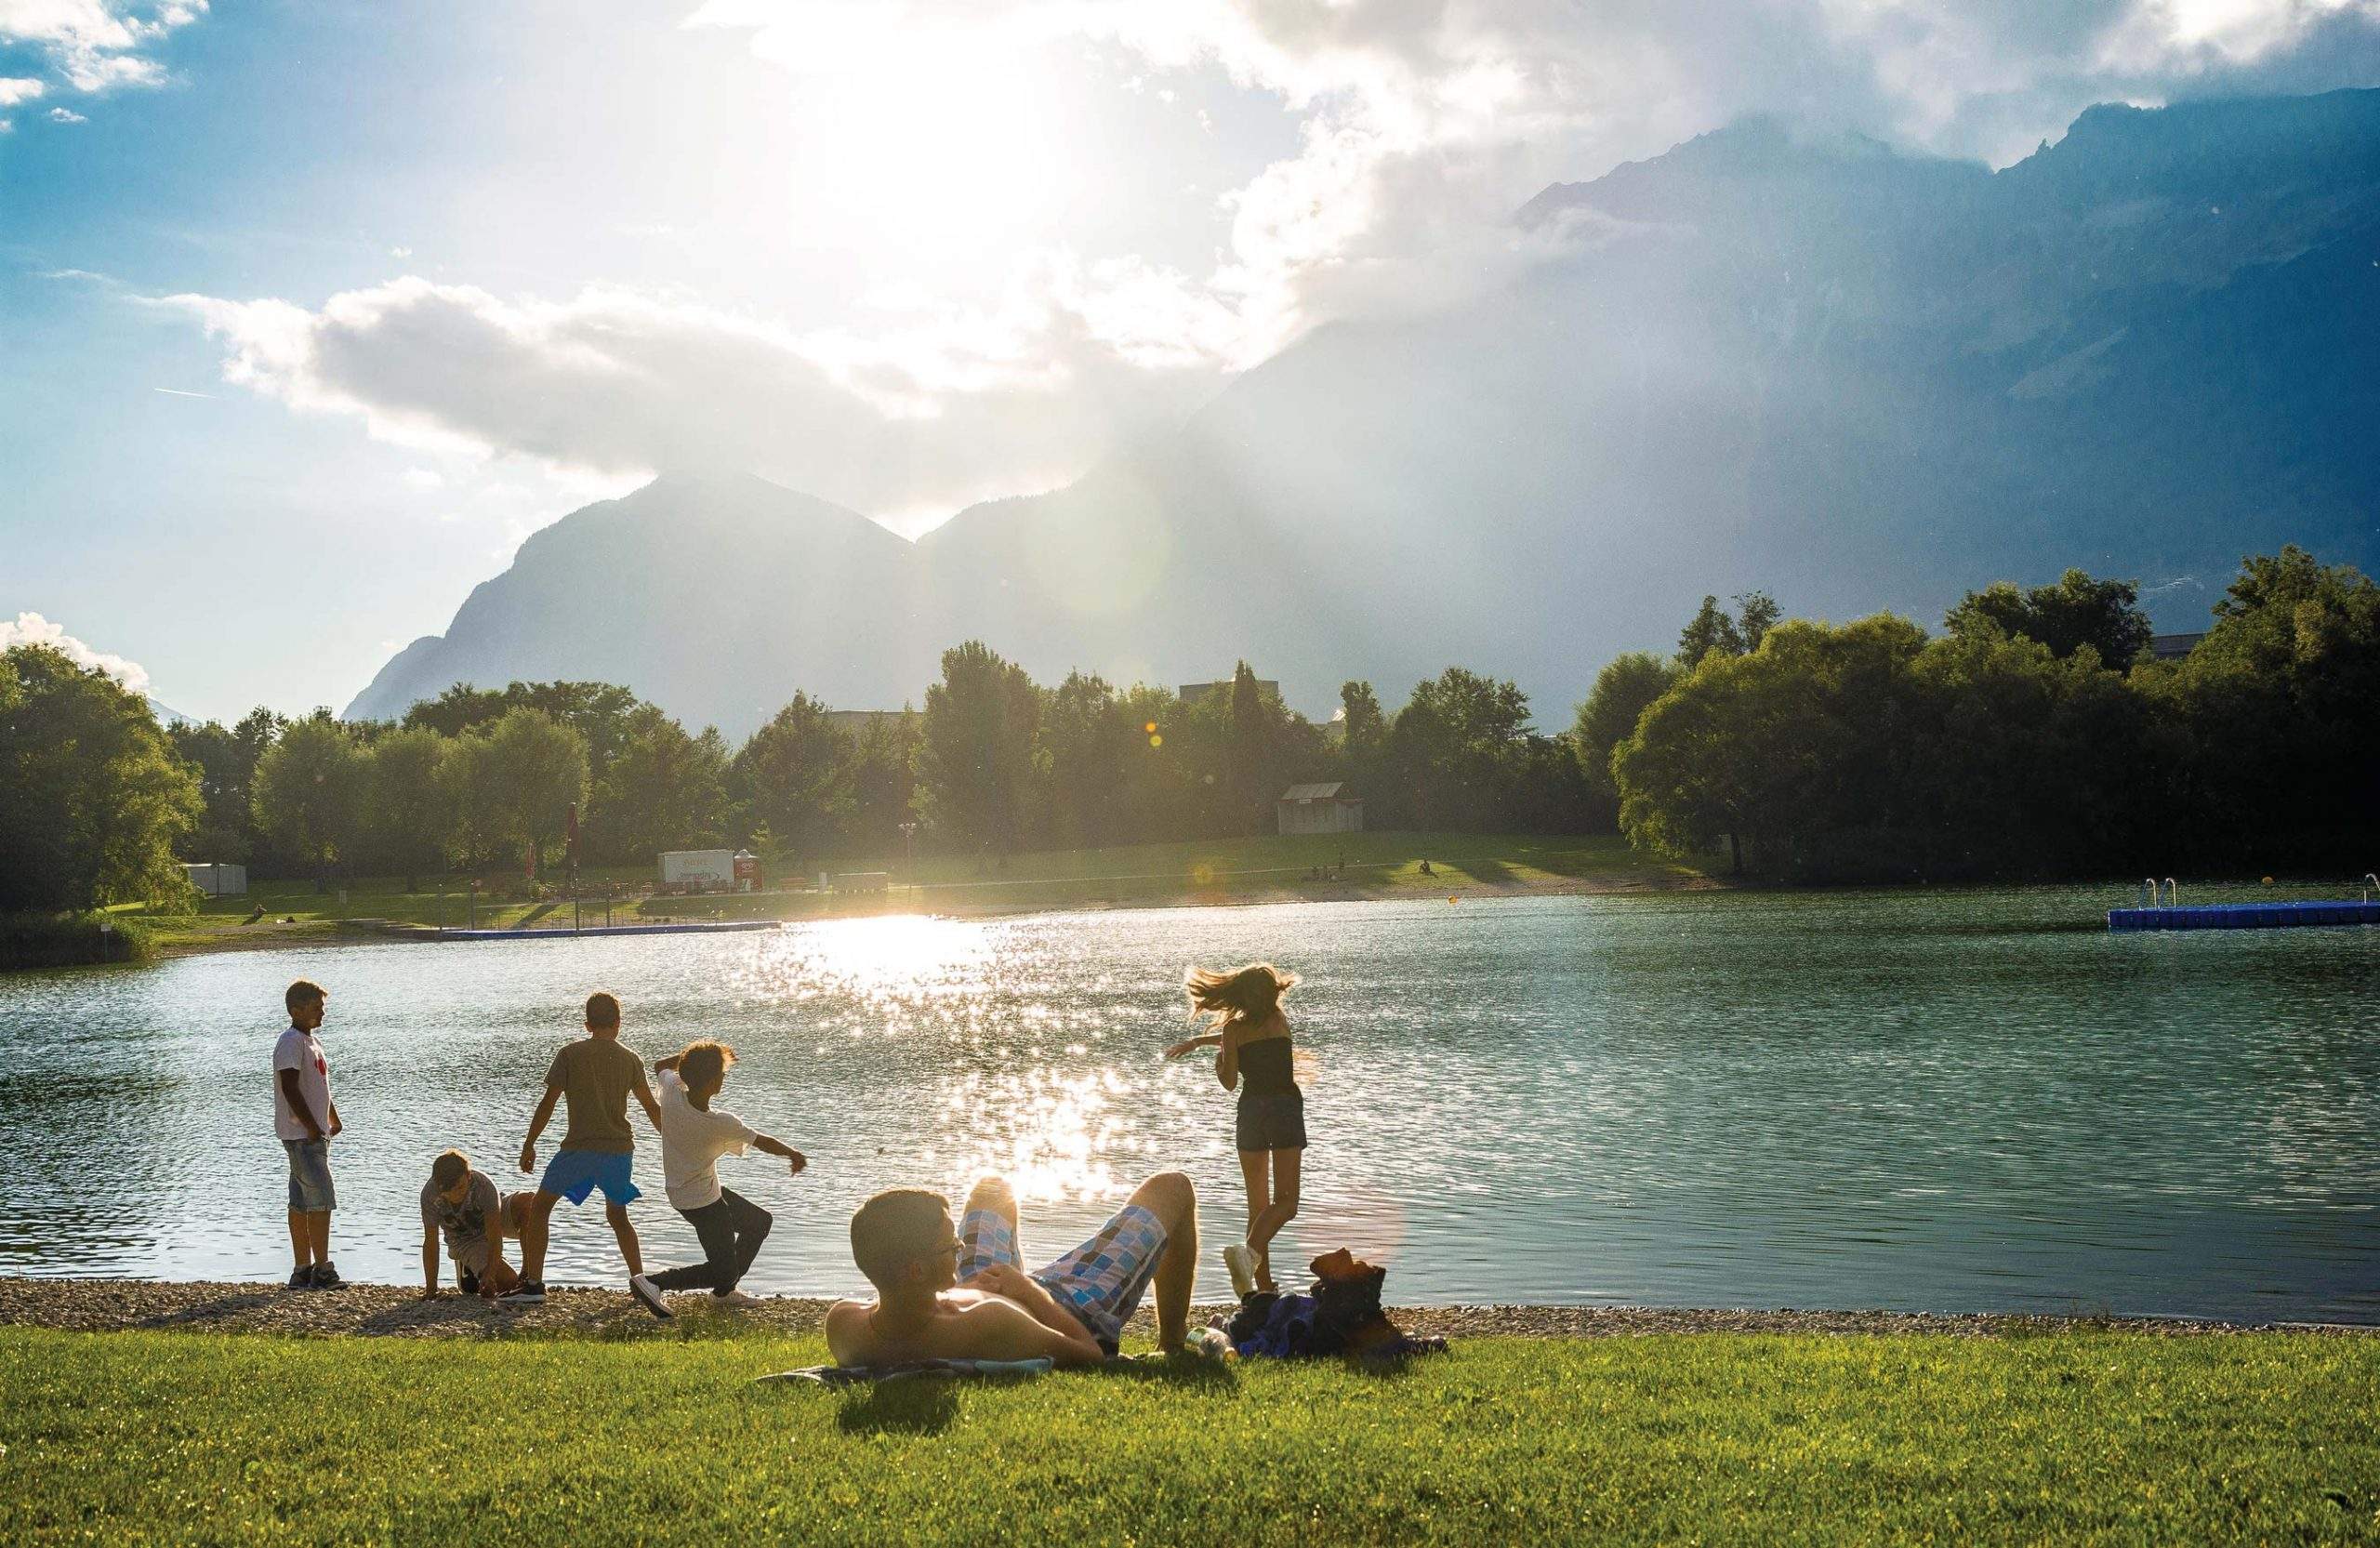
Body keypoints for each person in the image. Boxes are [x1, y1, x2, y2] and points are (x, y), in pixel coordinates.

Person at [825, 1171, 1198, 1368]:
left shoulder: (843, 1323)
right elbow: (1089, 1353)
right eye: (951, 1245)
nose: (961, 1246)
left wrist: (955, 1286)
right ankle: (1172, 1345)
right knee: (1173, 1186)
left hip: (975, 1286)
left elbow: (907, 1303)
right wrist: (1026, 1290)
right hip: (1068, 1306)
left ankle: (995, 1273)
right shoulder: (987, 1321)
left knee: (992, 1190)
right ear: (918, 1270)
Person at [628, 1039, 807, 1316]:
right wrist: (792, 1153)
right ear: (713, 1082)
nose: (724, 1077)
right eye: (721, 1073)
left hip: (687, 1192)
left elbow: (660, 1066)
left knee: (759, 1222)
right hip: (703, 1203)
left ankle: (725, 1293)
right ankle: (655, 1282)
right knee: (723, 1270)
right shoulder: (720, 1123)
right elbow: (761, 1141)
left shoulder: (673, 1093)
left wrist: (692, 1057)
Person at [508, 991, 663, 1308]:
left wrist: (529, 1143)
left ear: (587, 1024)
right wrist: (673, 1144)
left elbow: (548, 1103)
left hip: (578, 1150)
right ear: (618, 1023)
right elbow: (650, 1107)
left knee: (540, 1208)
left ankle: (534, 1284)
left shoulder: (570, 1054)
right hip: (619, 1151)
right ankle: (640, 1281)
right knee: (618, 1216)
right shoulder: (632, 1059)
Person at [1165, 962, 1306, 1296]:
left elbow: (1229, 1083)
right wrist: (1204, 1043)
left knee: (1258, 1207)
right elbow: (1256, 1034)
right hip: (1283, 1109)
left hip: (1251, 1113)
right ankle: (1249, 1257)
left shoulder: (1232, 1032)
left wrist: (1212, 1052)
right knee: (1286, 1203)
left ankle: (1261, 1289)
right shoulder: (1278, 1021)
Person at [272, 978, 344, 1291]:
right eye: (316, 1009)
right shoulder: (290, 1042)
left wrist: (332, 1117)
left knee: (301, 1201)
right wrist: (313, 1128)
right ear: (296, 1010)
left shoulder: (312, 1042)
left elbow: (319, 1087)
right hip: (304, 1137)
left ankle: (302, 1269)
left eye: (322, 1008)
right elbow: (290, 1087)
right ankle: (322, 1269)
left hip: (313, 1134)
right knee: (320, 1201)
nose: (322, 1013)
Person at [419, 1149, 521, 1299]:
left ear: (468, 1176)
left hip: (492, 1220)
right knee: (509, 1281)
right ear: (439, 1186)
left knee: (528, 1203)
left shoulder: (483, 1185)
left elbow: (495, 1236)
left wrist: (490, 1274)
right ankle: (467, 1267)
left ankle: (530, 1281)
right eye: (449, 1191)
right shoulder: (430, 1194)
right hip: (464, 1238)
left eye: (460, 1187)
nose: (456, 1195)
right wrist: (431, 1290)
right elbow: (431, 1242)